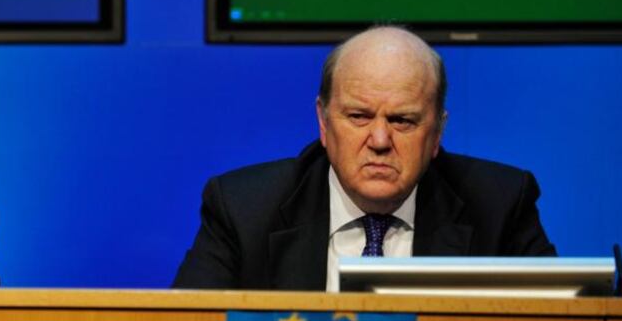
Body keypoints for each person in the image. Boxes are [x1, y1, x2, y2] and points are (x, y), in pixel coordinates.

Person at [173, 26, 555, 291]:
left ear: (437, 132)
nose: (379, 140)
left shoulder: (500, 204)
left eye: (403, 120)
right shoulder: (243, 209)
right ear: (323, 123)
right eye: (358, 116)